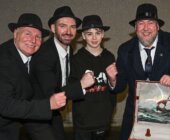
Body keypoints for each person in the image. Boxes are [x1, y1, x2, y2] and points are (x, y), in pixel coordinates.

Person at [106, 3, 170, 140]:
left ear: (158, 26)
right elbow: (120, 86)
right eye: (141, 23)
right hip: (134, 115)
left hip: (167, 115)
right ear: (135, 28)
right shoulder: (125, 49)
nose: (145, 28)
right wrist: (112, 79)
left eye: (150, 23)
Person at [31, 6, 95, 140]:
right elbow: (52, 95)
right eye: (63, 26)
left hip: (53, 112)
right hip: (37, 113)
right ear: (53, 28)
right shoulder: (44, 55)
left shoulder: (68, 49)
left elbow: (65, 79)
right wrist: (82, 84)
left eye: (72, 27)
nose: (68, 31)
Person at [0, 13, 66, 140]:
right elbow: (5, 105)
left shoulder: (35, 55)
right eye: (28, 34)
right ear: (15, 34)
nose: (33, 40)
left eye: (38, 36)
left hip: (24, 110)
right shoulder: (3, 61)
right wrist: (48, 105)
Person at [69, 14, 116, 140]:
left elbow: (113, 90)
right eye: (89, 34)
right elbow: (70, 91)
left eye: (98, 33)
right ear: (83, 36)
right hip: (83, 122)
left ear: (103, 34)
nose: (94, 37)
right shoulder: (76, 59)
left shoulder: (109, 57)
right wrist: (81, 84)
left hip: (103, 120)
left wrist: (113, 80)